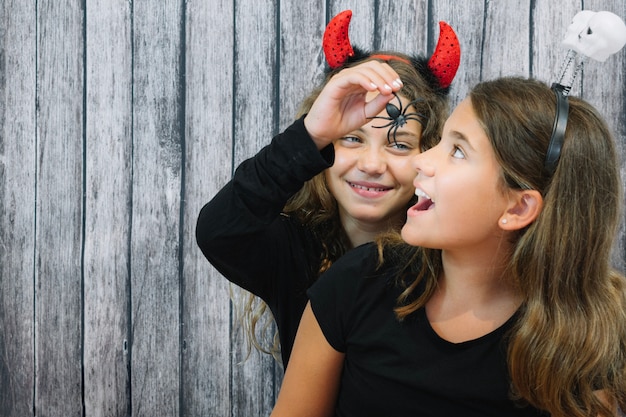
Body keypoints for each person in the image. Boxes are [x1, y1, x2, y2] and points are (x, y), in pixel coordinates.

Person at [270, 76, 626, 417]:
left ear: (518, 207)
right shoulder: (356, 283)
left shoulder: (583, 341)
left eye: (456, 150)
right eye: (440, 142)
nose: (419, 161)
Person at [195, 10, 460, 366]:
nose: (370, 164)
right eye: (351, 138)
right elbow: (219, 231)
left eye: (398, 144)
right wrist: (311, 134)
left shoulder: (451, 260)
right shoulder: (293, 252)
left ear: (428, 154)